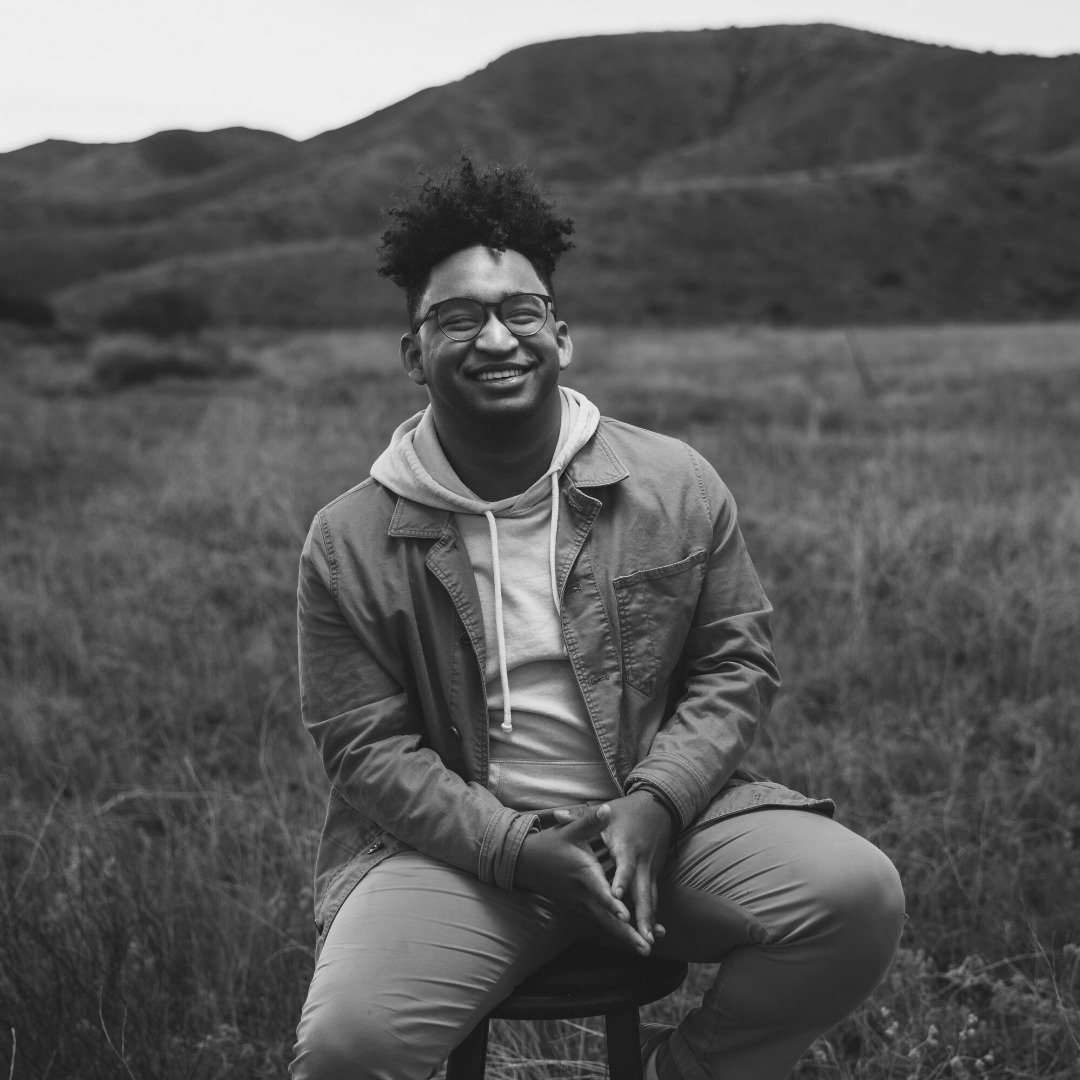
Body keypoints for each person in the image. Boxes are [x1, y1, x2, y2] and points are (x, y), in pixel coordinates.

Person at [290, 156, 905, 1080]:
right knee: (349, 1050)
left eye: (520, 312)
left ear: (560, 336)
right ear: (414, 352)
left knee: (856, 895)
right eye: (458, 317)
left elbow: (735, 664)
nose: (495, 337)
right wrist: (521, 849)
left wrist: (654, 805)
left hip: (664, 827)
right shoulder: (349, 538)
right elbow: (365, 748)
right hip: (462, 852)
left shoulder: (673, 482)